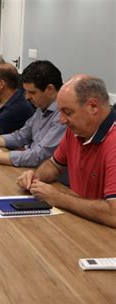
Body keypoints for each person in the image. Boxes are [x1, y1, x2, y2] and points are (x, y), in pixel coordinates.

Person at [17, 75, 116, 228]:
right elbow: (54, 165)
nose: (62, 120)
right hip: (80, 224)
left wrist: (58, 198)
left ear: (93, 107)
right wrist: (35, 177)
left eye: (68, 113)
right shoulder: (76, 130)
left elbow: (113, 215)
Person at [0, 60, 66, 167]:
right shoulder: (42, 107)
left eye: (32, 92)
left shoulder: (63, 117)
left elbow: (38, 156)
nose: (27, 97)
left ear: (50, 89)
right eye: (26, 91)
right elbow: (20, 136)